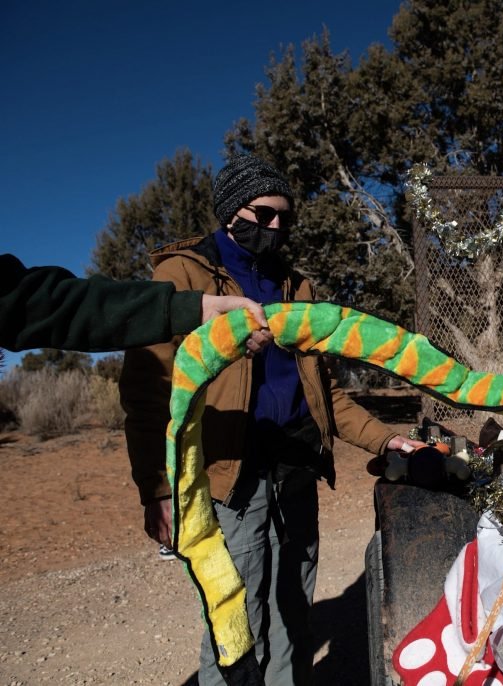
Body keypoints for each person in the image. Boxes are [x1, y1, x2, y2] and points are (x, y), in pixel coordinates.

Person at [119, 154, 425, 686]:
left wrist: (387, 440)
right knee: (236, 616)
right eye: (264, 214)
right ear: (229, 211)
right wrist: (157, 488)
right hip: (230, 472)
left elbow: (325, 393)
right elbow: (149, 392)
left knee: (295, 611)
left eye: (285, 216)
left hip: (296, 465)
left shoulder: (296, 287)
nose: (276, 226)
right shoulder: (182, 276)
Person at [0, 253, 273, 354]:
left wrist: (197, 308)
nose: (275, 225)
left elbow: (56, 305)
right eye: (264, 214)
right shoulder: (178, 266)